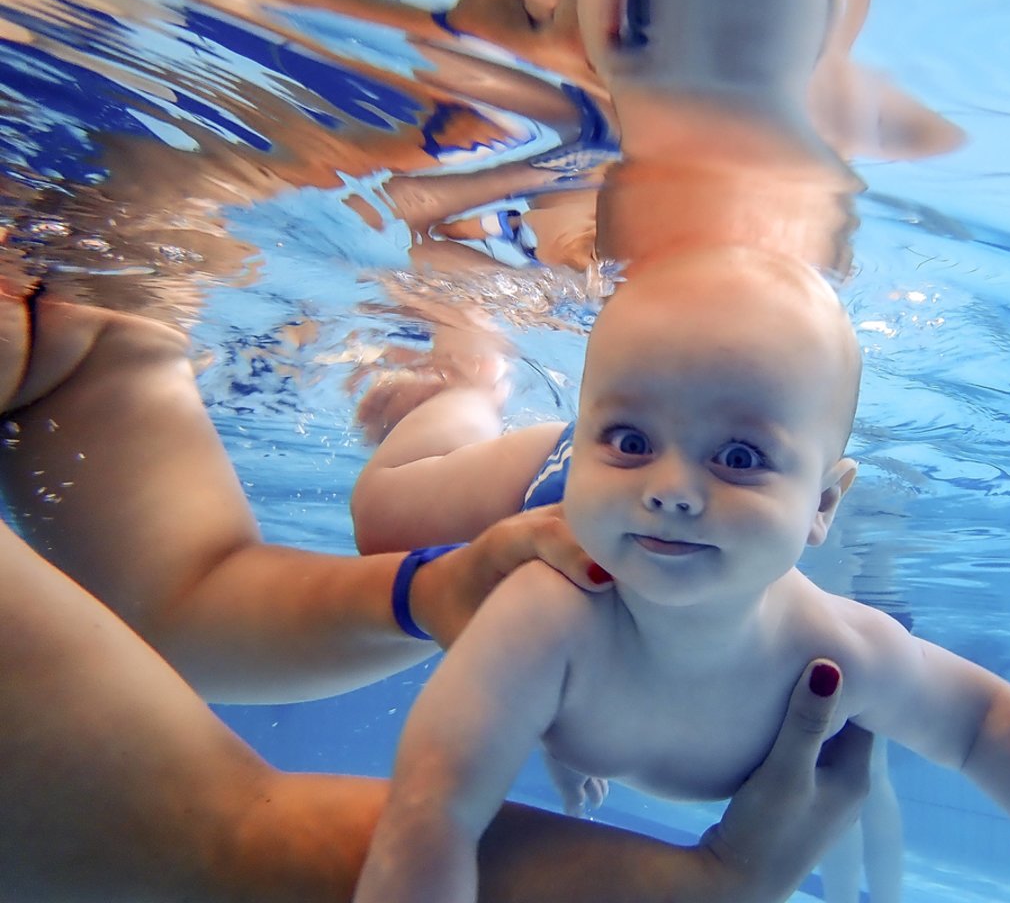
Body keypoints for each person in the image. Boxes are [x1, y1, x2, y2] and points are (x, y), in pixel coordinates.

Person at [350, 251, 1010, 903]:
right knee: (382, 518)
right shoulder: (542, 616)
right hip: (555, 489)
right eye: (634, 439)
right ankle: (472, 381)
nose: (675, 491)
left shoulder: (829, 645)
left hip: (596, 496)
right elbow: (432, 809)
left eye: (741, 459)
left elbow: (980, 721)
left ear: (824, 506)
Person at [0, 263, 876, 902]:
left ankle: (467, 387)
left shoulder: (76, 319)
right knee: (391, 515)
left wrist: (430, 593)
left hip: (99, 333)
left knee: (393, 525)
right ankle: (468, 398)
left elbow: (184, 600)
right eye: (629, 436)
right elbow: (221, 841)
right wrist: (704, 886)